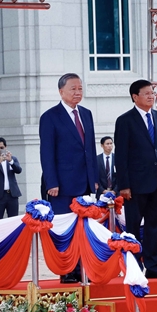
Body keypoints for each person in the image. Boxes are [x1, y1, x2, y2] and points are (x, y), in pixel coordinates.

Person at [39, 73, 98, 283]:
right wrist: (52, 182)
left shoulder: (87, 114)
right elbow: (47, 153)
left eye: (80, 88)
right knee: (65, 230)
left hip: (85, 184)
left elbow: (89, 149)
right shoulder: (50, 117)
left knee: (84, 229)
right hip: (62, 186)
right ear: (61, 91)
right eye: (73, 89)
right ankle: (67, 271)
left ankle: (84, 269)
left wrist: (95, 179)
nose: (77, 92)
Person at [114, 79, 157, 279]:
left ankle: (153, 267)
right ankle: (134, 266)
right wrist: (124, 185)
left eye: (152, 92)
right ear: (135, 97)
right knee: (134, 227)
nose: (151, 96)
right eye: (146, 93)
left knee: (155, 225)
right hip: (135, 185)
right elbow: (121, 156)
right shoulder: (125, 120)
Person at [0, 137, 22, 220]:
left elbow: (19, 170)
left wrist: (11, 161)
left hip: (12, 194)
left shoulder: (13, 159)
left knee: (13, 219)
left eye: (1, 148)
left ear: (5, 147)